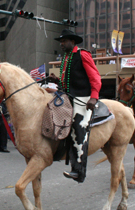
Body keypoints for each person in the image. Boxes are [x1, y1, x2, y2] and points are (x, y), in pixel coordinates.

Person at [49, 29, 101, 182]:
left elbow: (95, 77)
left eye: (63, 41)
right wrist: (57, 80)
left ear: (72, 41)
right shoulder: (66, 57)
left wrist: (94, 97)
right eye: (61, 41)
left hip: (83, 98)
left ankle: (78, 171)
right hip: (68, 97)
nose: (61, 43)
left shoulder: (83, 54)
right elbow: (68, 82)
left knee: (78, 129)